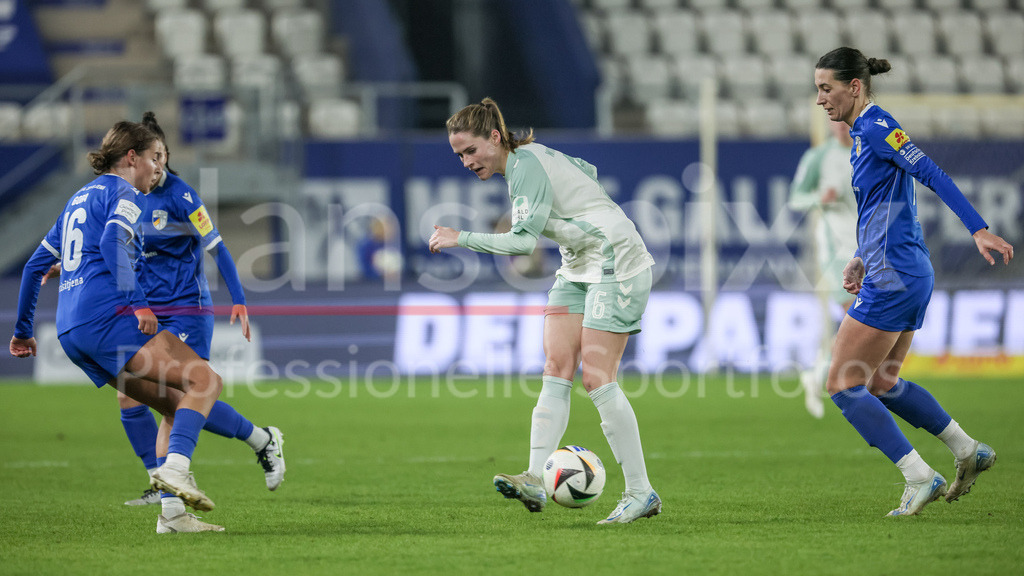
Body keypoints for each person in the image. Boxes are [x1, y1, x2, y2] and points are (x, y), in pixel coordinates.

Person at [429, 98, 661, 524]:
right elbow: (586, 171)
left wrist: (459, 237)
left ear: (495, 137)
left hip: (614, 256)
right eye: (459, 155)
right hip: (579, 259)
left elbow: (520, 244)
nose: (465, 161)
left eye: (470, 150)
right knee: (556, 365)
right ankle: (535, 475)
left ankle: (640, 491)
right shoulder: (529, 160)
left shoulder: (525, 167)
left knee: (595, 377)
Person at [814, 47, 1013, 516]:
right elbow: (886, 205)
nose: (820, 99)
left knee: (843, 385)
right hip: (905, 270)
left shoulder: (879, 126)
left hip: (896, 276)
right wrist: (861, 256)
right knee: (883, 380)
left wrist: (977, 227)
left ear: (854, 87)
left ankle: (919, 476)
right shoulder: (864, 131)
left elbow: (930, 172)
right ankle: (968, 449)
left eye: (827, 88)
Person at [10, 120, 226, 532]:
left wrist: (22, 331)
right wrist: (139, 304)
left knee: (172, 404)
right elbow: (112, 243)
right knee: (205, 382)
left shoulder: (77, 199)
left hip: (72, 332)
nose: (157, 170)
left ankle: (173, 517)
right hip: (108, 317)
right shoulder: (124, 192)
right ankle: (176, 472)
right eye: (152, 160)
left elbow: (34, 268)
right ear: (131, 158)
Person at [788, 119, 858, 418]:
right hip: (835, 254)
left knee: (857, 321)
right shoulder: (818, 157)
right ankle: (835, 379)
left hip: (865, 250)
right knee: (855, 314)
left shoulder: (866, 153)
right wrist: (820, 197)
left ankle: (817, 375)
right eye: (835, 121)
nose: (840, 126)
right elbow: (795, 198)